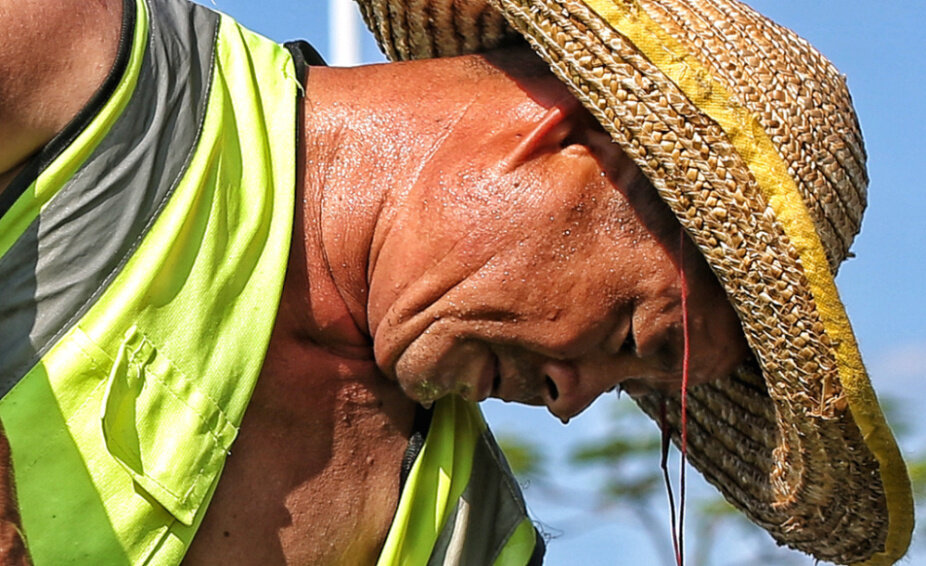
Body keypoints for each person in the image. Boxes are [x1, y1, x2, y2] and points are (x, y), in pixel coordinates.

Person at [0, 0, 913, 565]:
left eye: (631, 388)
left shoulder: (462, 535)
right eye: (634, 340)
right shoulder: (87, 70)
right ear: (570, 140)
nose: (570, 404)